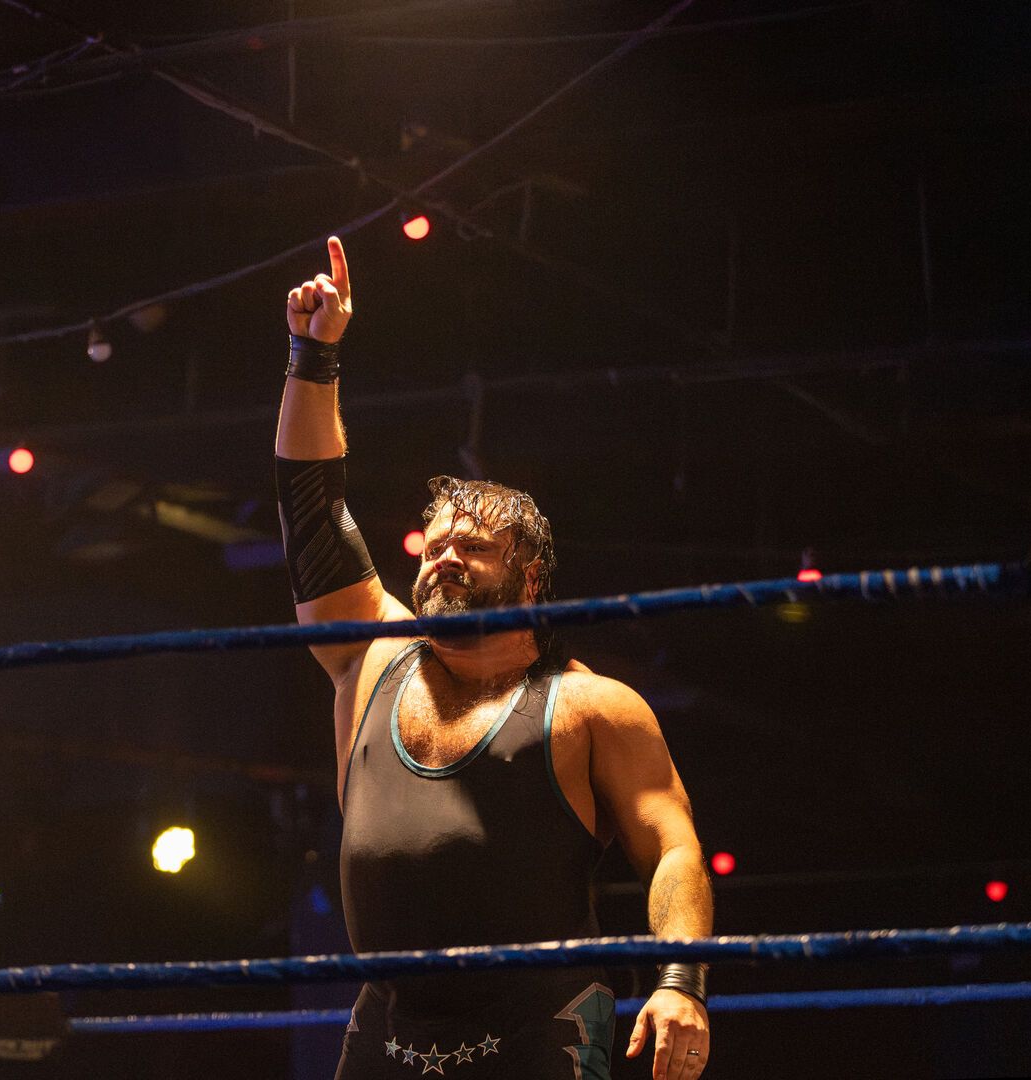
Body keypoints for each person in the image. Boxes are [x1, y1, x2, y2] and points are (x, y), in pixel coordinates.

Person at [274, 238, 713, 1079]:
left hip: (535, 1026)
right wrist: (312, 354)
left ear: (528, 574)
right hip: (387, 1030)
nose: (440, 558)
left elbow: (671, 847)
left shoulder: (592, 707)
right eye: (432, 545)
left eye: (469, 548)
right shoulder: (368, 654)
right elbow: (310, 502)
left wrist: (680, 982)